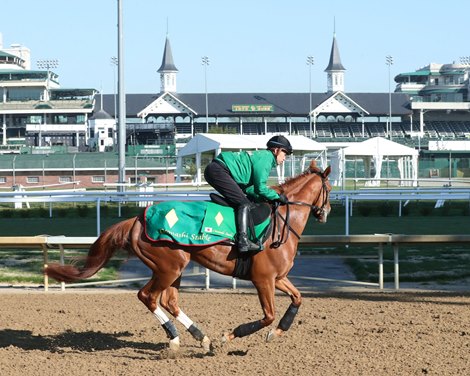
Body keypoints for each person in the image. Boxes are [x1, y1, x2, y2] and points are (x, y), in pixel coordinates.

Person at [204, 135, 292, 253]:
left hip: (218, 169)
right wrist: (277, 196)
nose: (285, 158)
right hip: (219, 170)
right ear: (276, 150)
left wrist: (262, 198)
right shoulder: (267, 157)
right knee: (243, 203)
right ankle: (242, 241)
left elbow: (251, 188)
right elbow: (260, 188)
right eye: (285, 153)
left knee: (244, 200)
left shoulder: (263, 157)